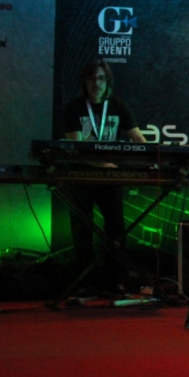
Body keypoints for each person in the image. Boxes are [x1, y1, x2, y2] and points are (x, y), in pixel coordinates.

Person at [62, 59, 146, 292]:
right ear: (85, 82)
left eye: (101, 78)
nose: (96, 83)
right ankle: (86, 282)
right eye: (92, 79)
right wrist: (104, 164)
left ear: (108, 82)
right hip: (82, 177)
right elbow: (78, 147)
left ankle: (116, 279)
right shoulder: (74, 108)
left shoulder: (119, 107)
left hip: (110, 177)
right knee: (82, 228)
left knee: (116, 227)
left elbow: (139, 139)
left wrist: (155, 159)